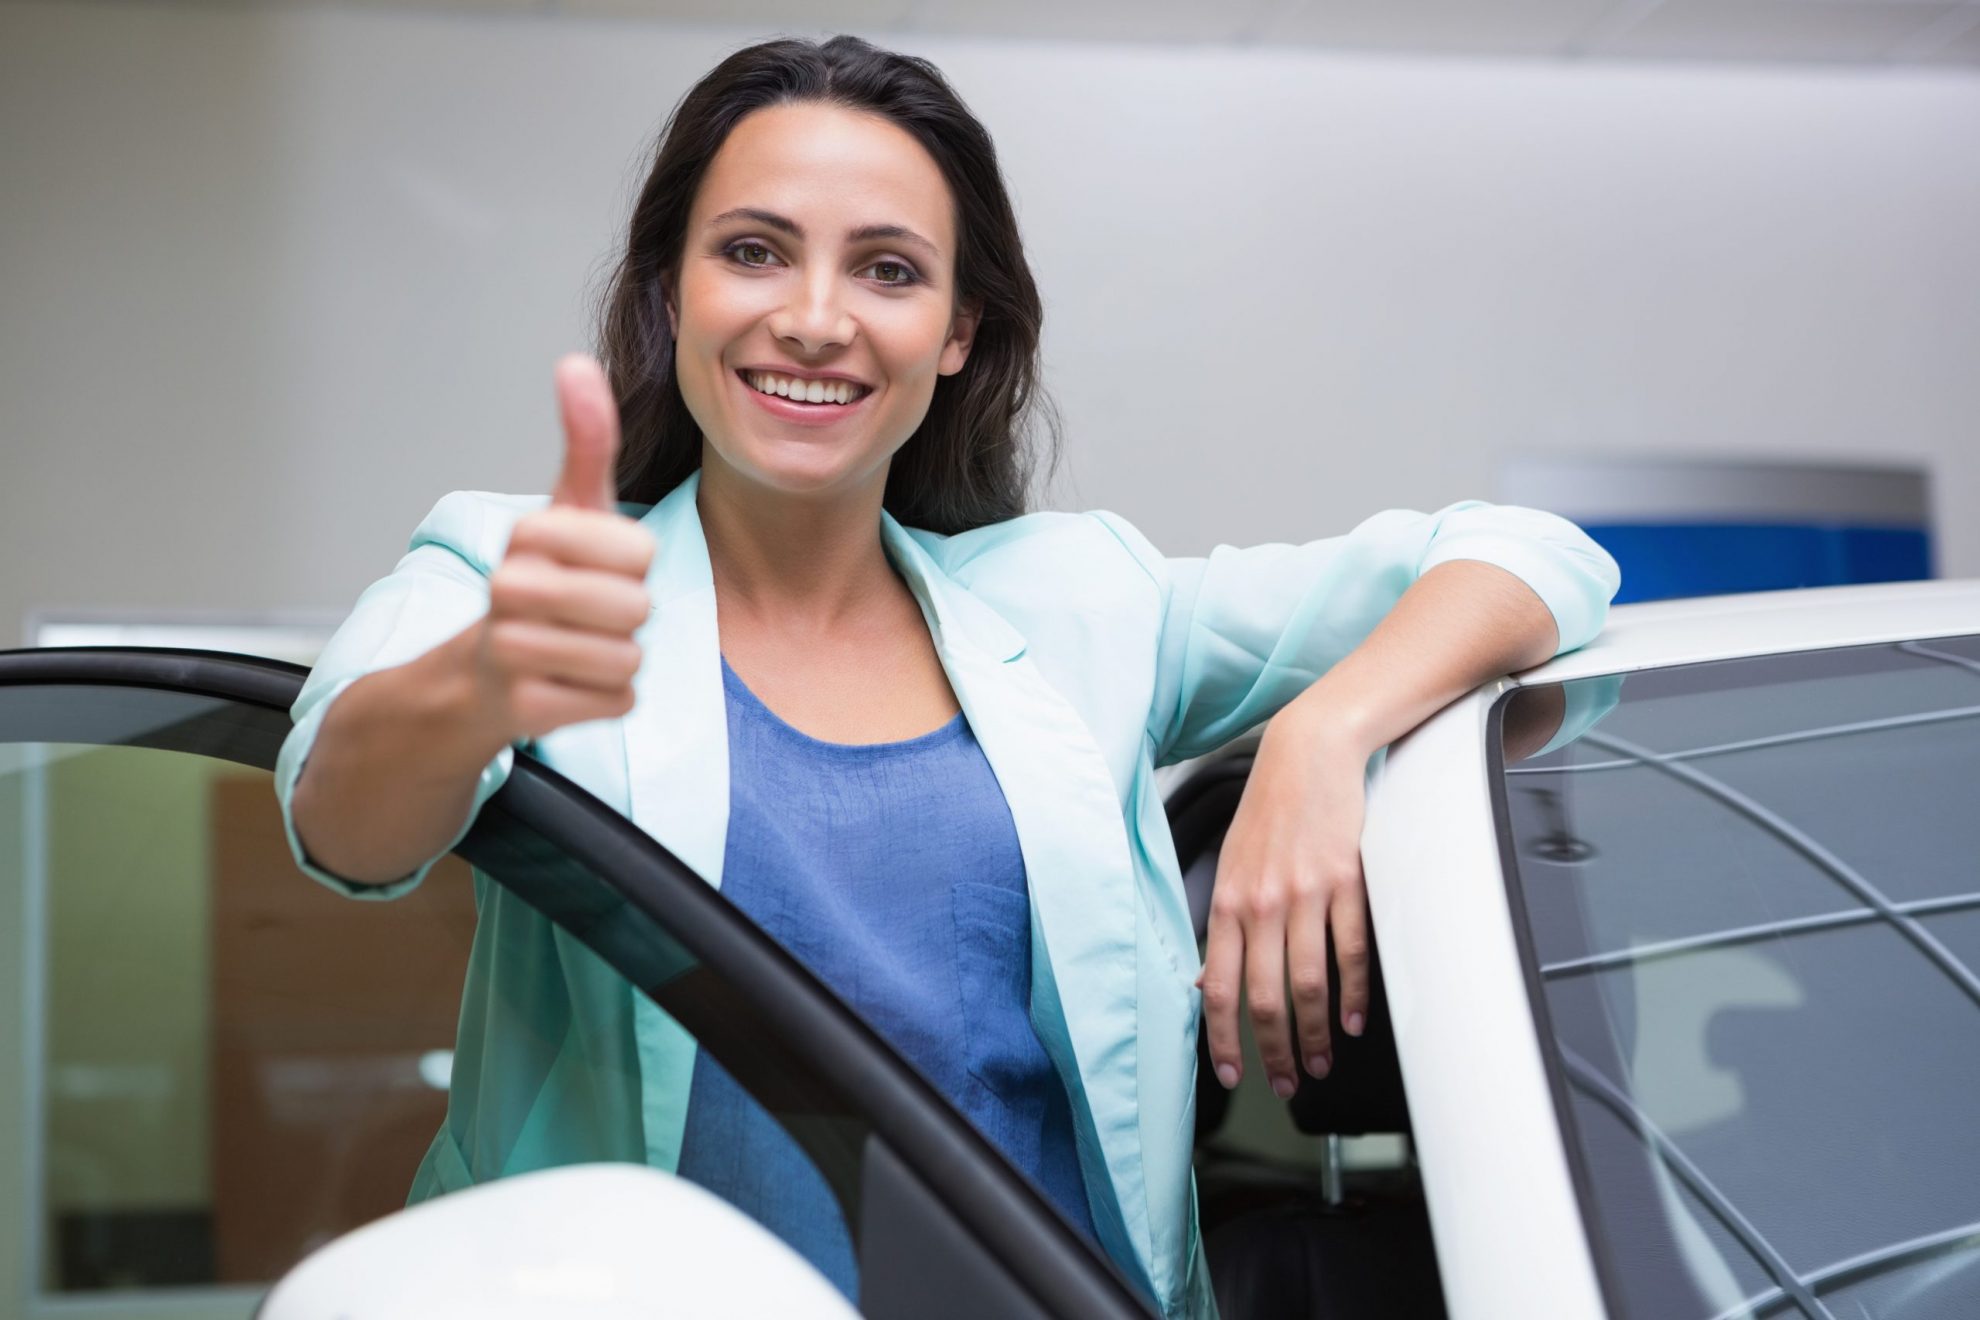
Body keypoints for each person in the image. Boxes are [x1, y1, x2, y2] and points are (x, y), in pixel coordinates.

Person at [275, 33, 1620, 1319]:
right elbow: (345, 820)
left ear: (960, 331)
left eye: (887, 271)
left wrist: (1322, 735)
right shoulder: (516, 571)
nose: (814, 320)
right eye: (753, 253)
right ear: (670, 291)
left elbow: (1531, 561)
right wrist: (489, 684)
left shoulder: (1082, 599)